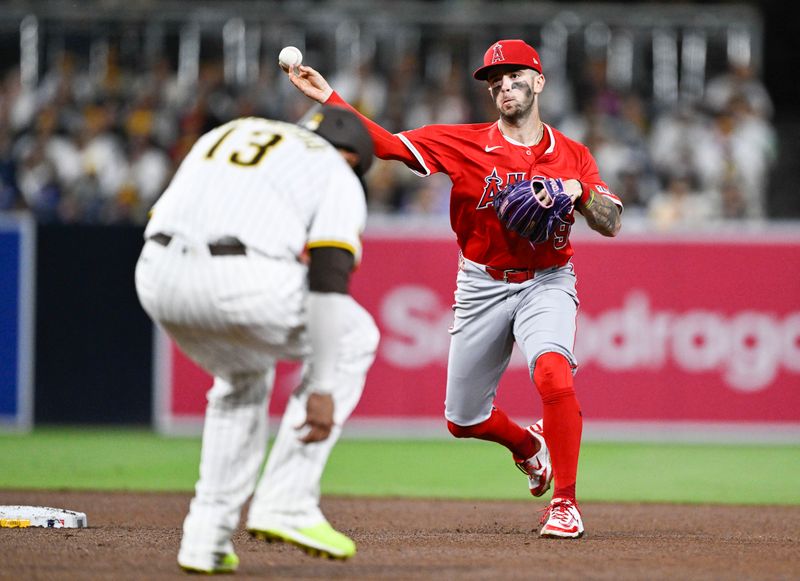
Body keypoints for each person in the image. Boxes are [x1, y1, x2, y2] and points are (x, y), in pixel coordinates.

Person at [286, 39, 623, 539]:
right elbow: (388, 146)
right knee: (463, 420)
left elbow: (611, 221)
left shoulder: (572, 155)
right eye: (495, 82)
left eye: (514, 77)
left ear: (539, 82)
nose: (504, 86)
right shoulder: (464, 142)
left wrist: (579, 191)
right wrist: (329, 97)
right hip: (482, 283)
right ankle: (529, 448)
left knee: (553, 373)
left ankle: (565, 504)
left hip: (547, 280)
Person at [134, 106, 379, 573]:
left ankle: (205, 537)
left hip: (155, 274)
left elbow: (166, 210)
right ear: (352, 157)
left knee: (242, 375)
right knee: (354, 335)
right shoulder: (335, 170)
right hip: (240, 279)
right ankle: (287, 501)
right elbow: (328, 277)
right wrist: (323, 388)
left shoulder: (231, 132)